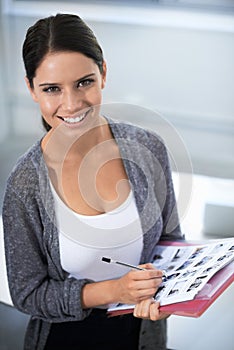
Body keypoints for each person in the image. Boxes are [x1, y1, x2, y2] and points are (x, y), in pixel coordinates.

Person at [2, 13, 184, 350]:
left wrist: (166, 296)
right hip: (65, 339)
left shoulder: (147, 149)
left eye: (84, 82)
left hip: (144, 335)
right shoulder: (24, 186)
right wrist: (116, 291)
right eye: (52, 89)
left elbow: (171, 243)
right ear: (31, 88)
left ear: (103, 72)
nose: (71, 104)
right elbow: (28, 294)